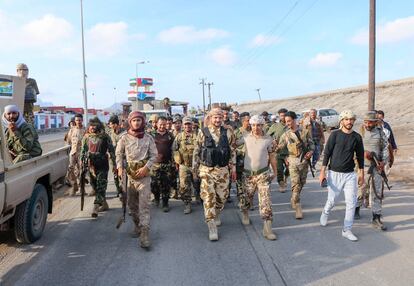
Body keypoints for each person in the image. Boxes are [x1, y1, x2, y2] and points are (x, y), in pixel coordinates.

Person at [319, 110, 364, 242]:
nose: (349, 122)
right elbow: (327, 154)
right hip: (334, 173)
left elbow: (360, 157)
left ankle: (347, 229)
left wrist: (361, 174)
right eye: (346, 119)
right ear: (341, 121)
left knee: (351, 202)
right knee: (332, 200)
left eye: (351, 119)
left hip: (350, 174)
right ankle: (326, 212)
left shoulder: (357, 137)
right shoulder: (334, 135)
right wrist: (322, 172)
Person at [193, 107, 236, 241]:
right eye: (215, 117)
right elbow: (197, 151)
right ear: (210, 118)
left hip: (222, 171)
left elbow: (232, 150)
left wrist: (233, 167)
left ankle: (216, 213)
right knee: (208, 198)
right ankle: (211, 225)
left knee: (222, 197)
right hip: (206, 171)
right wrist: (194, 169)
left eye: (220, 117)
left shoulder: (228, 132)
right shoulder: (202, 132)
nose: (217, 120)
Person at [116, 111, 158, 249]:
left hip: (144, 178)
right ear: (130, 122)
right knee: (132, 205)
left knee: (144, 206)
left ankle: (145, 234)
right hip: (130, 178)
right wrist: (120, 168)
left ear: (143, 122)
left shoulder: (148, 138)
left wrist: (146, 168)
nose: (136, 123)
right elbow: (119, 154)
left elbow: (154, 155)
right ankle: (137, 225)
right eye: (134, 120)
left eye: (139, 120)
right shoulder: (124, 138)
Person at [238, 115, 277, 240]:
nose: (256, 127)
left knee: (265, 200)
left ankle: (267, 227)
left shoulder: (268, 139)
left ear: (263, 125)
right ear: (250, 125)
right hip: (248, 174)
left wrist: (275, 172)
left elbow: (272, 157)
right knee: (247, 197)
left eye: (259, 125)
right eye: (253, 125)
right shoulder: (245, 137)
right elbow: (232, 144)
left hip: (263, 174)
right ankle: (245, 212)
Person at [276, 111, 314, 219]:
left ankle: (294, 198)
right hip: (292, 163)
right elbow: (279, 148)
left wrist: (310, 152)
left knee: (301, 183)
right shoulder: (286, 135)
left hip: (304, 163)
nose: (287, 123)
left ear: (294, 120)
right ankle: (298, 207)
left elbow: (312, 145)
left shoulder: (305, 132)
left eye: (289, 121)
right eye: (286, 121)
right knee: (295, 185)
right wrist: (277, 148)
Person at [355, 112, 388, 230]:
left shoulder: (380, 132)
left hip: (376, 166)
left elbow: (385, 147)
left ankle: (376, 218)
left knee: (377, 192)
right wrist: (363, 153)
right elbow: (353, 148)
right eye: (365, 122)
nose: (367, 124)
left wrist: (383, 161)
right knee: (361, 189)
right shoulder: (359, 132)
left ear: (375, 122)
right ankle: (356, 209)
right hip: (362, 167)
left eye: (370, 122)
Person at [80, 117, 116, 217]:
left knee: (101, 185)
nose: (92, 127)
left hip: (103, 165)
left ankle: (95, 207)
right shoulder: (86, 137)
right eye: (91, 125)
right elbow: (83, 152)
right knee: (95, 186)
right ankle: (104, 204)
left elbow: (112, 151)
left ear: (99, 126)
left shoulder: (105, 137)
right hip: (91, 166)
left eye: (94, 125)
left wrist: (115, 165)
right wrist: (82, 165)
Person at [173, 117, 198, 214]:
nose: (187, 126)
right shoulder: (179, 137)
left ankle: (199, 197)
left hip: (196, 164)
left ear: (192, 125)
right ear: (183, 125)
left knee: (198, 182)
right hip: (184, 165)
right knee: (184, 185)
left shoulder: (198, 135)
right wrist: (177, 162)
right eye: (186, 124)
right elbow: (174, 150)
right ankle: (187, 203)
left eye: (189, 124)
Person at [150, 116, 175, 212]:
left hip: (167, 164)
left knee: (166, 185)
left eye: (164, 124)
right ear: (156, 124)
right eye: (160, 124)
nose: (162, 126)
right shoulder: (151, 135)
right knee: (154, 184)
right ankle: (156, 198)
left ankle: (165, 203)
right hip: (154, 164)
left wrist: (174, 162)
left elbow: (174, 149)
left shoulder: (170, 135)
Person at [267, 108, 289, 192]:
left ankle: (286, 177)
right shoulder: (275, 126)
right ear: (279, 116)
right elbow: (267, 136)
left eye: (284, 115)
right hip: (278, 152)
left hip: (289, 152)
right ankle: (281, 184)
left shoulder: (290, 125)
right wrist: (272, 140)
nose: (283, 117)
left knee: (289, 168)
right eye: (281, 116)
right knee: (279, 169)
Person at [234, 112, 251, 208]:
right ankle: (241, 200)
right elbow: (232, 146)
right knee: (239, 182)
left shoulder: (254, 131)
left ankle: (249, 200)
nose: (249, 123)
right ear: (243, 121)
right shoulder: (237, 132)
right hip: (240, 160)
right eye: (247, 121)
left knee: (250, 183)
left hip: (251, 161)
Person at [66, 113, 85, 196]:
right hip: (73, 153)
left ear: (82, 120)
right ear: (75, 121)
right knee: (70, 170)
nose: (78, 121)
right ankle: (74, 187)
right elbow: (68, 141)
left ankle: (82, 188)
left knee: (82, 171)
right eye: (77, 120)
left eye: (80, 120)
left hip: (82, 153)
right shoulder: (72, 130)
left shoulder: (85, 130)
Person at [107, 115, 125, 197]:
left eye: (112, 124)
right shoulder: (109, 134)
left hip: (123, 157)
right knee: (115, 174)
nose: (111, 126)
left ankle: (124, 189)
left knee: (123, 174)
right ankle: (118, 190)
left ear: (117, 124)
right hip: (113, 158)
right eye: (110, 124)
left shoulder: (124, 132)